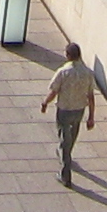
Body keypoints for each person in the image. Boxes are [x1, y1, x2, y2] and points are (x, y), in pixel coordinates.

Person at [40, 44, 96, 186]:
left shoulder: (63, 72)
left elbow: (54, 91)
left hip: (64, 110)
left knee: (64, 138)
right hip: (79, 110)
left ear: (68, 55)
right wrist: (91, 117)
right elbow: (90, 96)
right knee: (72, 135)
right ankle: (65, 153)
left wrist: (45, 103)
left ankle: (66, 175)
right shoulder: (88, 73)